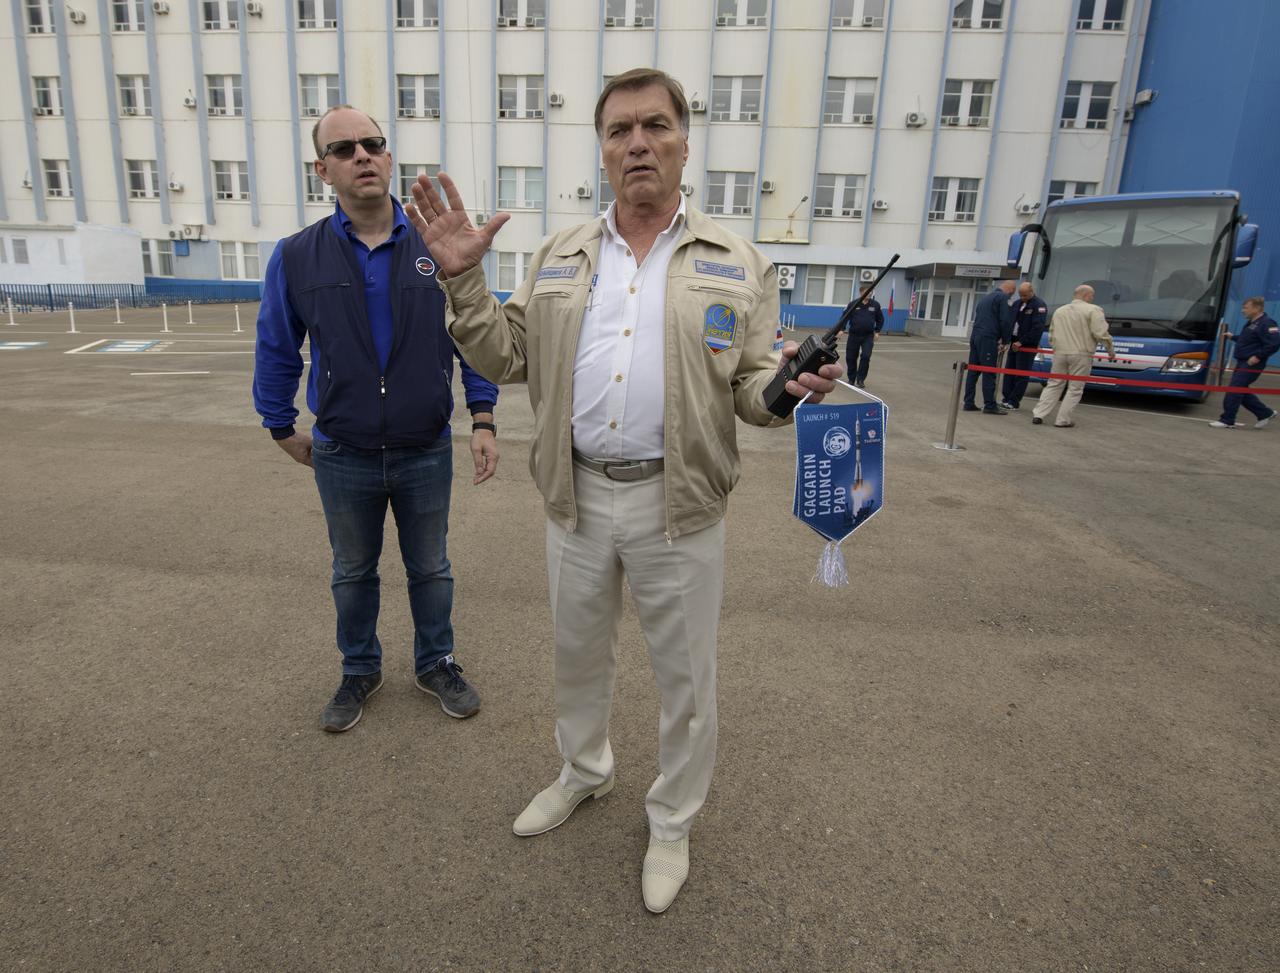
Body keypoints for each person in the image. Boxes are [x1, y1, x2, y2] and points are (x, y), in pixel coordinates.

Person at [406, 68, 841, 913]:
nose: (637, 143)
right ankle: (585, 770)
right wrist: (463, 281)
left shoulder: (738, 262)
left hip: (679, 505)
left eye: (654, 126)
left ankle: (672, 820)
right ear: (603, 151)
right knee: (577, 655)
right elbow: (505, 355)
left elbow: (752, 391)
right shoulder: (561, 255)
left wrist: (789, 388)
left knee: (686, 679)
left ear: (684, 142)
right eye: (619, 130)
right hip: (574, 497)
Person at [252, 105, 500, 733]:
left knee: (431, 568)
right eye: (343, 149)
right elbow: (277, 345)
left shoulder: (436, 246)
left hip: (424, 447)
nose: (361, 155)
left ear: (388, 158)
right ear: (323, 170)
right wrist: (279, 426)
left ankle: (436, 662)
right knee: (352, 572)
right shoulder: (297, 255)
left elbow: (473, 337)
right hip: (343, 453)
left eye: (373, 143)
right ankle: (359, 669)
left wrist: (483, 417)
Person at [1031, 284, 1115, 428]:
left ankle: (1038, 414)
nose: (1092, 298)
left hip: (1060, 352)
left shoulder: (1060, 311)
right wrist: (1110, 349)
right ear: (1086, 295)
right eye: (1092, 295)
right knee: (1075, 388)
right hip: (1082, 353)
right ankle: (1062, 420)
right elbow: (1100, 333)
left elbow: (1052, 333)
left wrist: (1056, 348)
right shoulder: (1094, 310)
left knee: (1054, 383)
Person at [1209, 296, 1279, 429]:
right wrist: (1233, 337)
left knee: (1234, 389)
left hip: (1252, 364)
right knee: (1241, 390)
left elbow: (1274, 344)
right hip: (1242, 362)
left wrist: (1258, 356)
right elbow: (1248, 339)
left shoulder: (1267, 323)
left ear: (1257, 308)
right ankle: (1265, 413)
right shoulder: (1252, 323)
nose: (1242, 310)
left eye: (1246, 308)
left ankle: (1227, 420)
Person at [963, 279, 1016, 414]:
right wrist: (1005, 340)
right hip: (988, 338)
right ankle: (990, 405)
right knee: (989, 372)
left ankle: (968, 402)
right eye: (1013, 293)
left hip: (976, 336)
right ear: (1010, 290)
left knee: (973, 371)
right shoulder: (1003, 298)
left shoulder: (985, 298)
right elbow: (1006, 321)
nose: (1012, 296)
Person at [999, 281, 1049, 410]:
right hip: (1014, 342)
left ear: (1032, 292)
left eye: (1025, 295)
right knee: (1009, 372)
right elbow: (1010, 322)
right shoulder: (1017, 303)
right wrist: (1005, 340)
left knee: (1021, 375)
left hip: (1027, 345)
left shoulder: (1039, 305)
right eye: (1020, 295)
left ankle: (1014, 401)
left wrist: (1022, 341)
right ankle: (1006, 398)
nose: (1022, 298)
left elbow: (1038, 328)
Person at [841, 288, 884, 388]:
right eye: (867, 292)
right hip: (854, 335)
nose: (869, 293)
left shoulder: (875, 305)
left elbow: (880, 319)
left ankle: (860, 379)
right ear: (861, 292)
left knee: (866, 356)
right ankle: (851, 379)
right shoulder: (853, 304)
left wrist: (877, 331)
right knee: (851, 357)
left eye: (870, 292)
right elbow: (844, 317)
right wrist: (841, 329)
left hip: (868, 336)